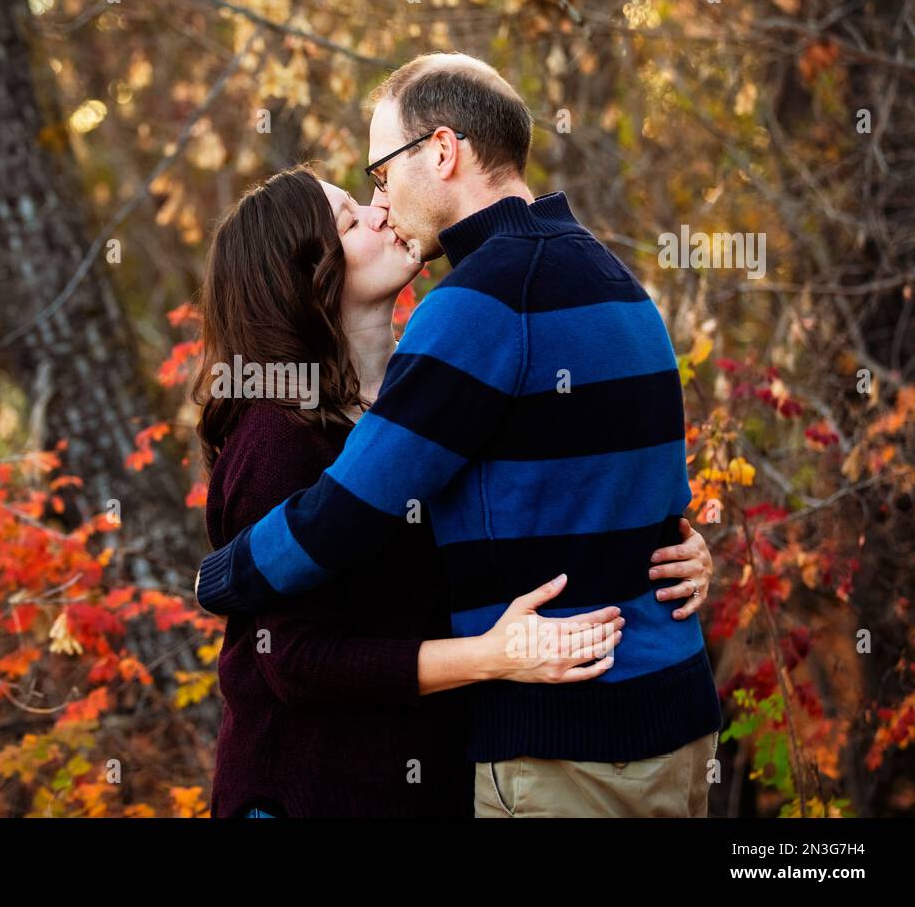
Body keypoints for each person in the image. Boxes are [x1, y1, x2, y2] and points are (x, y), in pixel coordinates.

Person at [196, 54, 723, 817]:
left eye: (379, 176)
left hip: (559, 741)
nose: (382, 205)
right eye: (357, 210)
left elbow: (343, 520)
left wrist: (221, 576)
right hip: (333, 786)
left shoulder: (469, 314)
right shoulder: (613, 280)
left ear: (441, 152)